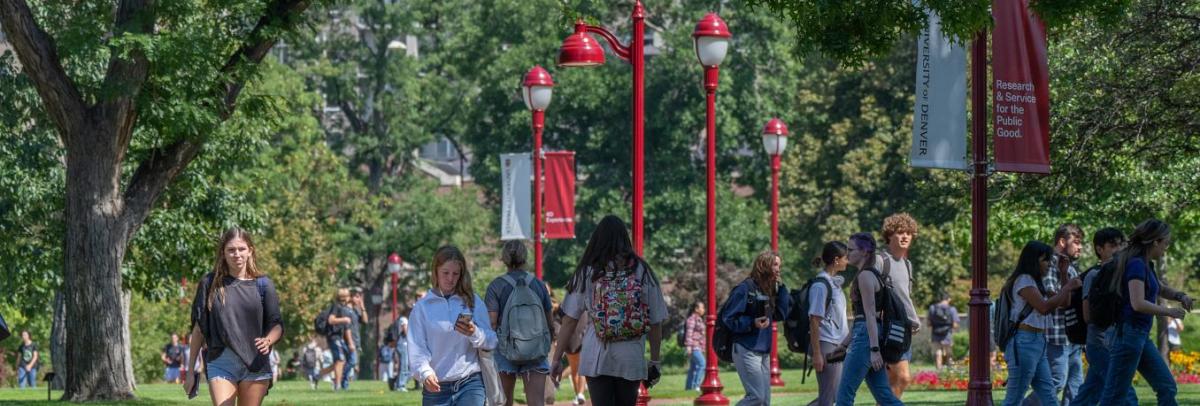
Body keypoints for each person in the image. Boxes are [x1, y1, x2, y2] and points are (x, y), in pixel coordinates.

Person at [549, 215, 668, 406]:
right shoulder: (641, 270)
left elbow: (569, 320)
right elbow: (656, 321)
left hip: (597, 355)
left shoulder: (587, 272)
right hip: (631, 355)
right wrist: (654, 361)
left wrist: (556, 359)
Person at [184, 227, 285, 406]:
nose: (236, 254)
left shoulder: (263, 285)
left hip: (255, 362)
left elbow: (276, 324)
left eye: (241, 249)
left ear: (250, 251)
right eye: (231, 250)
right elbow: (199, 329)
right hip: (221, 361)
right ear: (223, 252)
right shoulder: (209, 284)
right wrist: (191, 370)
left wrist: (268, 340)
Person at [1099, 219, 1193, 405]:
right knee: (1114, 397)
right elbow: (1138, 303)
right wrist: (1169, 312)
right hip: (1129, 336)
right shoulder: (1136, 264)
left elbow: (1159, 288)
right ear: (1155, 241)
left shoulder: (1145, 265)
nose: (1166, 248)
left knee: (1167, 386)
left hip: (1140, 336)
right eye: (1165, 243)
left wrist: (1181, 295)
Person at [408, 245, 497, 406]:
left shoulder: (473, 301)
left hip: (470, 383)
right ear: (435, 271)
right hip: (436, 389)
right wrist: (425, 373)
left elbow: (492, 341)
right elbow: (416, 350)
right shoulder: (422, 307)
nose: (450, 278)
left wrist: (474, 333)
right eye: (446, 273)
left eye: (456, 274)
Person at [999, 241, 1080, 406]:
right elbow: (1044, 308)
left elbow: (1065, 302)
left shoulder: (1038, 283)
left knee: (1049, 396)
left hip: (1038, 341)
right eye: (1045, 260)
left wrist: (1064, 275)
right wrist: (1068, 286)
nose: (1049, 264)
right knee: (1014, 398)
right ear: (1033, 260)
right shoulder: (1024, 280)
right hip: (1024, 342)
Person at [835, 233, 903, 406]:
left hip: (866, 339)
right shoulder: (868, 274)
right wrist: (843, 344)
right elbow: (862, 318)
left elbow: (870, 316)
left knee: (844, 396)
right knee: (884, 396)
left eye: (851, 249)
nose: (847, 253)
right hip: (866, 335)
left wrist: (874, 350)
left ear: (865, 252)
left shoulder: (865, 276)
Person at [485, 240, 555, 406]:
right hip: (535, 350)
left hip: (505, 349)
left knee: (503, 402)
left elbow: (492, 324)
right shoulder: (538, 284)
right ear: (526, 258)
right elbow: (550, 323)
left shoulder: (496, 286)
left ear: (503, 259)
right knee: (536, 402)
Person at [721, 251, 792, 406]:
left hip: (763, 352)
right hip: (746, 349)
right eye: (775, 265)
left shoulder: (769, 290)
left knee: (765, 401)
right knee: (756, 397)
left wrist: (782, 288)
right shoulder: (744, 289)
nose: (779, 269)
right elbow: (728, 318)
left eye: (779, 265)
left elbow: (780, 315)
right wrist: (752, 323)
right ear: (763, 265)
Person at [1073, 227, 1134, 406]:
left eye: (1121, 244)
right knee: (1125, 392)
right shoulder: (1094, 275)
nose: (1119, 248)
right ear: (1100, 249)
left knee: (1089, 394)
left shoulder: (1123, 273)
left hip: (1112, 344)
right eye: (1113, 245)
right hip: (1099, 344)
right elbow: (1087, 315)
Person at [1026, 224, 1085, 406]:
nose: (1080, 247)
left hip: (1072, 335)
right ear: (1062, 241)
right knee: (1056, 382)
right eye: (1076, 242)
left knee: (1075, 385)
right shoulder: (1049, 264)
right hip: (1056, 335)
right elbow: (1056, 300)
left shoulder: (1069, 266)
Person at [878, 213, 921, 398]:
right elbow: (861, 291)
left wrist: (913, 318)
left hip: (904, 329)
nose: (905, 236)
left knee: (893, 380)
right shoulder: (880, 261)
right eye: (900, 232)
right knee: (902, 377)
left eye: (909, 233)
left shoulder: (907, 264)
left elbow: (905, 297)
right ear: (889, 235)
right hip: (886, 328)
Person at [806, 241, 850, 406]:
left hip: (836, 345)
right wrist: (817, 354)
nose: (848, 261)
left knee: (834, 396)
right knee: (828, 397)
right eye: (846, 258)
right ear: (837, 260)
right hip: (826, 345)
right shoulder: (820, 286)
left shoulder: (833, 283)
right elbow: (814, 321)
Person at [316, 288, 355, 391]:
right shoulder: (336, 306)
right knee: (340, 360)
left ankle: (317, 375)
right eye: (348, 296)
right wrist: (345, 319)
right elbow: (331, 320)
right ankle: (337, 385)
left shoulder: (341, 307)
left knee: (340, 361)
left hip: (338, 337)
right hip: (334, 337)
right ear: (344, 297)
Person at [552, 295, 588, 404]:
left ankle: (580, 394)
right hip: (571, 341)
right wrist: (558, 337)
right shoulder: (566, 306)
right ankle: (578, 394)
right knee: (575, 369)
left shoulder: (584, 303)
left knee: (579, 369)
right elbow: (558, 322)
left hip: (580, 339)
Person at [340, 288, 368, 389]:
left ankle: (344, 384)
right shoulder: (345, 310)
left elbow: (365, 321)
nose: (359, 299)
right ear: (351, 297)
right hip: (348, 341)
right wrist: (350, 342)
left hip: (356, 341)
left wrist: (362, 307)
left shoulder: (355, 311)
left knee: (351, 362)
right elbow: (346, 328)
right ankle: (340, 378)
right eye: (357, 297)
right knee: (352, 362)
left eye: (360, 297)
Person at [927, 293, 959, 370]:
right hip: (947, 333)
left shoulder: (932, 308)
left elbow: (929, 324)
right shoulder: (952, 309)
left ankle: (939, 370)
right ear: (948, 299)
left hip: (935, 333)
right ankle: (949, 370)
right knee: (949, 353)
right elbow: (955, 324)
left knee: (938, 353)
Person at [684, 301, 707, 392]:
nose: (703, 310)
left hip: (698, 346)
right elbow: (689, 333)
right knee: (702, 364)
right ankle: (696, 386)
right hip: (694, 346)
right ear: (696, 309)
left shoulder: (699, 319)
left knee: (693, 367)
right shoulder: (692, 319)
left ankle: (689, 388)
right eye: (702, 307)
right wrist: (689, 347)